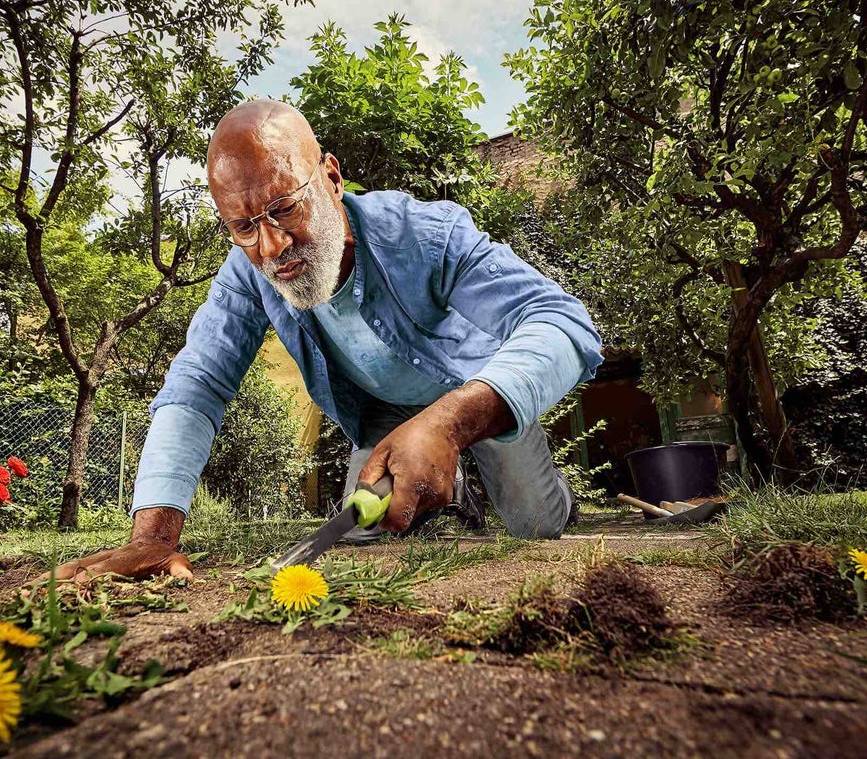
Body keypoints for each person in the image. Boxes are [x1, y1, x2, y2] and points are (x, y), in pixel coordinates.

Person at [46, 99, 602, 583]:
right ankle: (450, 491)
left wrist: (451, 424)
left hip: (476, 395)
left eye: (285, 206)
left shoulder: (429, 233)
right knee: (363, 529)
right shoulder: (246, 275)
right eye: (243, 227)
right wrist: (155, 534)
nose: (271, 246)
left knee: (536, 524)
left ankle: (546, 494)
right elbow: (197, 382)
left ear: (331, 178)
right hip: (385, 413)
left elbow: (565, 323)